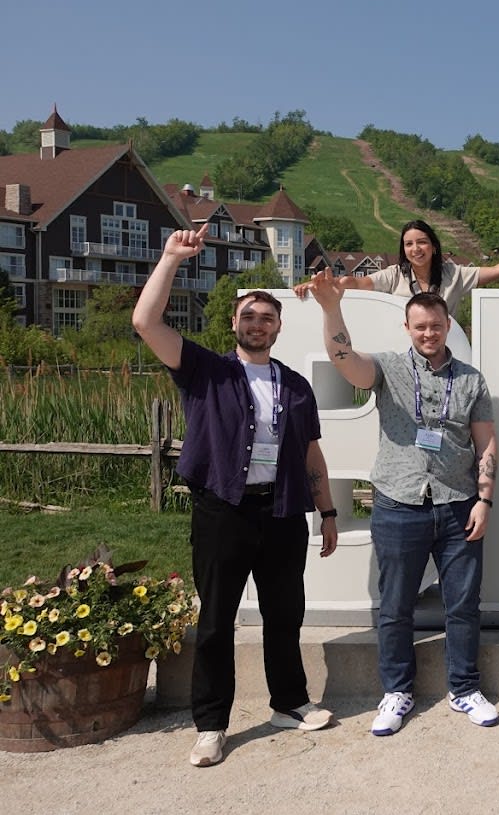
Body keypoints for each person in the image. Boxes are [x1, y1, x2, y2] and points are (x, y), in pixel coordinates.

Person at [132, 224, 339, 768]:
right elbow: (145, 322)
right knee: (218, 619)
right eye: (248, 315)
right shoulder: (205, 370)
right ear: (234, 322)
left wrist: (329, 511)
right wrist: (171, 256)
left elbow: (311, 455)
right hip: (222, 509)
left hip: (283, 512)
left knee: (284, 613)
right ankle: (211, 724)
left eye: (266, 317)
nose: (257, 323)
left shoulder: (295, 385)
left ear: (278, 328)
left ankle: (289, 702)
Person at [309, 269, 499, 736]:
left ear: (447, 324)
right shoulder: (388, 368)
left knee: (463, 605)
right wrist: (332, 308)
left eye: (436, 325)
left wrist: (485, 501)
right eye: (420, 327)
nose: (428, 333)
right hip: (398, 504)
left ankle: (464, 689)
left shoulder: (472, 381)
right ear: (408, 328)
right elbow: (343, 360)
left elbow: (487, 446)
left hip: (458, 506)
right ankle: (396, 692)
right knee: (395, 606)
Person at [294, 218, 499, 317]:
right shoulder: (395, 275)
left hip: (443, 349)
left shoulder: (454, 274)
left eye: (421, 242)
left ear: (433, 246)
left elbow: (497, 269)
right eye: (409, 244)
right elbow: (355, 282)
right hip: (402, 349)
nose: (415, 249)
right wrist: (320, 286)